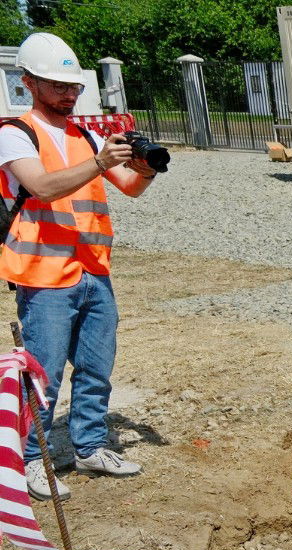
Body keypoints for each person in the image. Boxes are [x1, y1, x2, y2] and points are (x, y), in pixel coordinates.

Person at [2, 33, 158, 501]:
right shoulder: (14, 133)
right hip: (44, 276)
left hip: (93, 270)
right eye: (56, 86)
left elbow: (129, 186)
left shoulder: (83, 134)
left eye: (72, 87)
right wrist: (98, 160)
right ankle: (34, 459)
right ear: (28, 82)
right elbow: (43, 187)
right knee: (43, 371)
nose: (69, 95)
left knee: (95, 366)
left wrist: (147, 165)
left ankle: (90, 445)